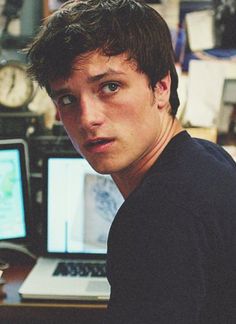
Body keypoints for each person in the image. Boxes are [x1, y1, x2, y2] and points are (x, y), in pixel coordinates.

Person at [26, 0, 236, 323]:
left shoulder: (154, 218)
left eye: (110, 87)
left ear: (161, 87)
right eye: (67, 99)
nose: (87, 118)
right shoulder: (206, 157)